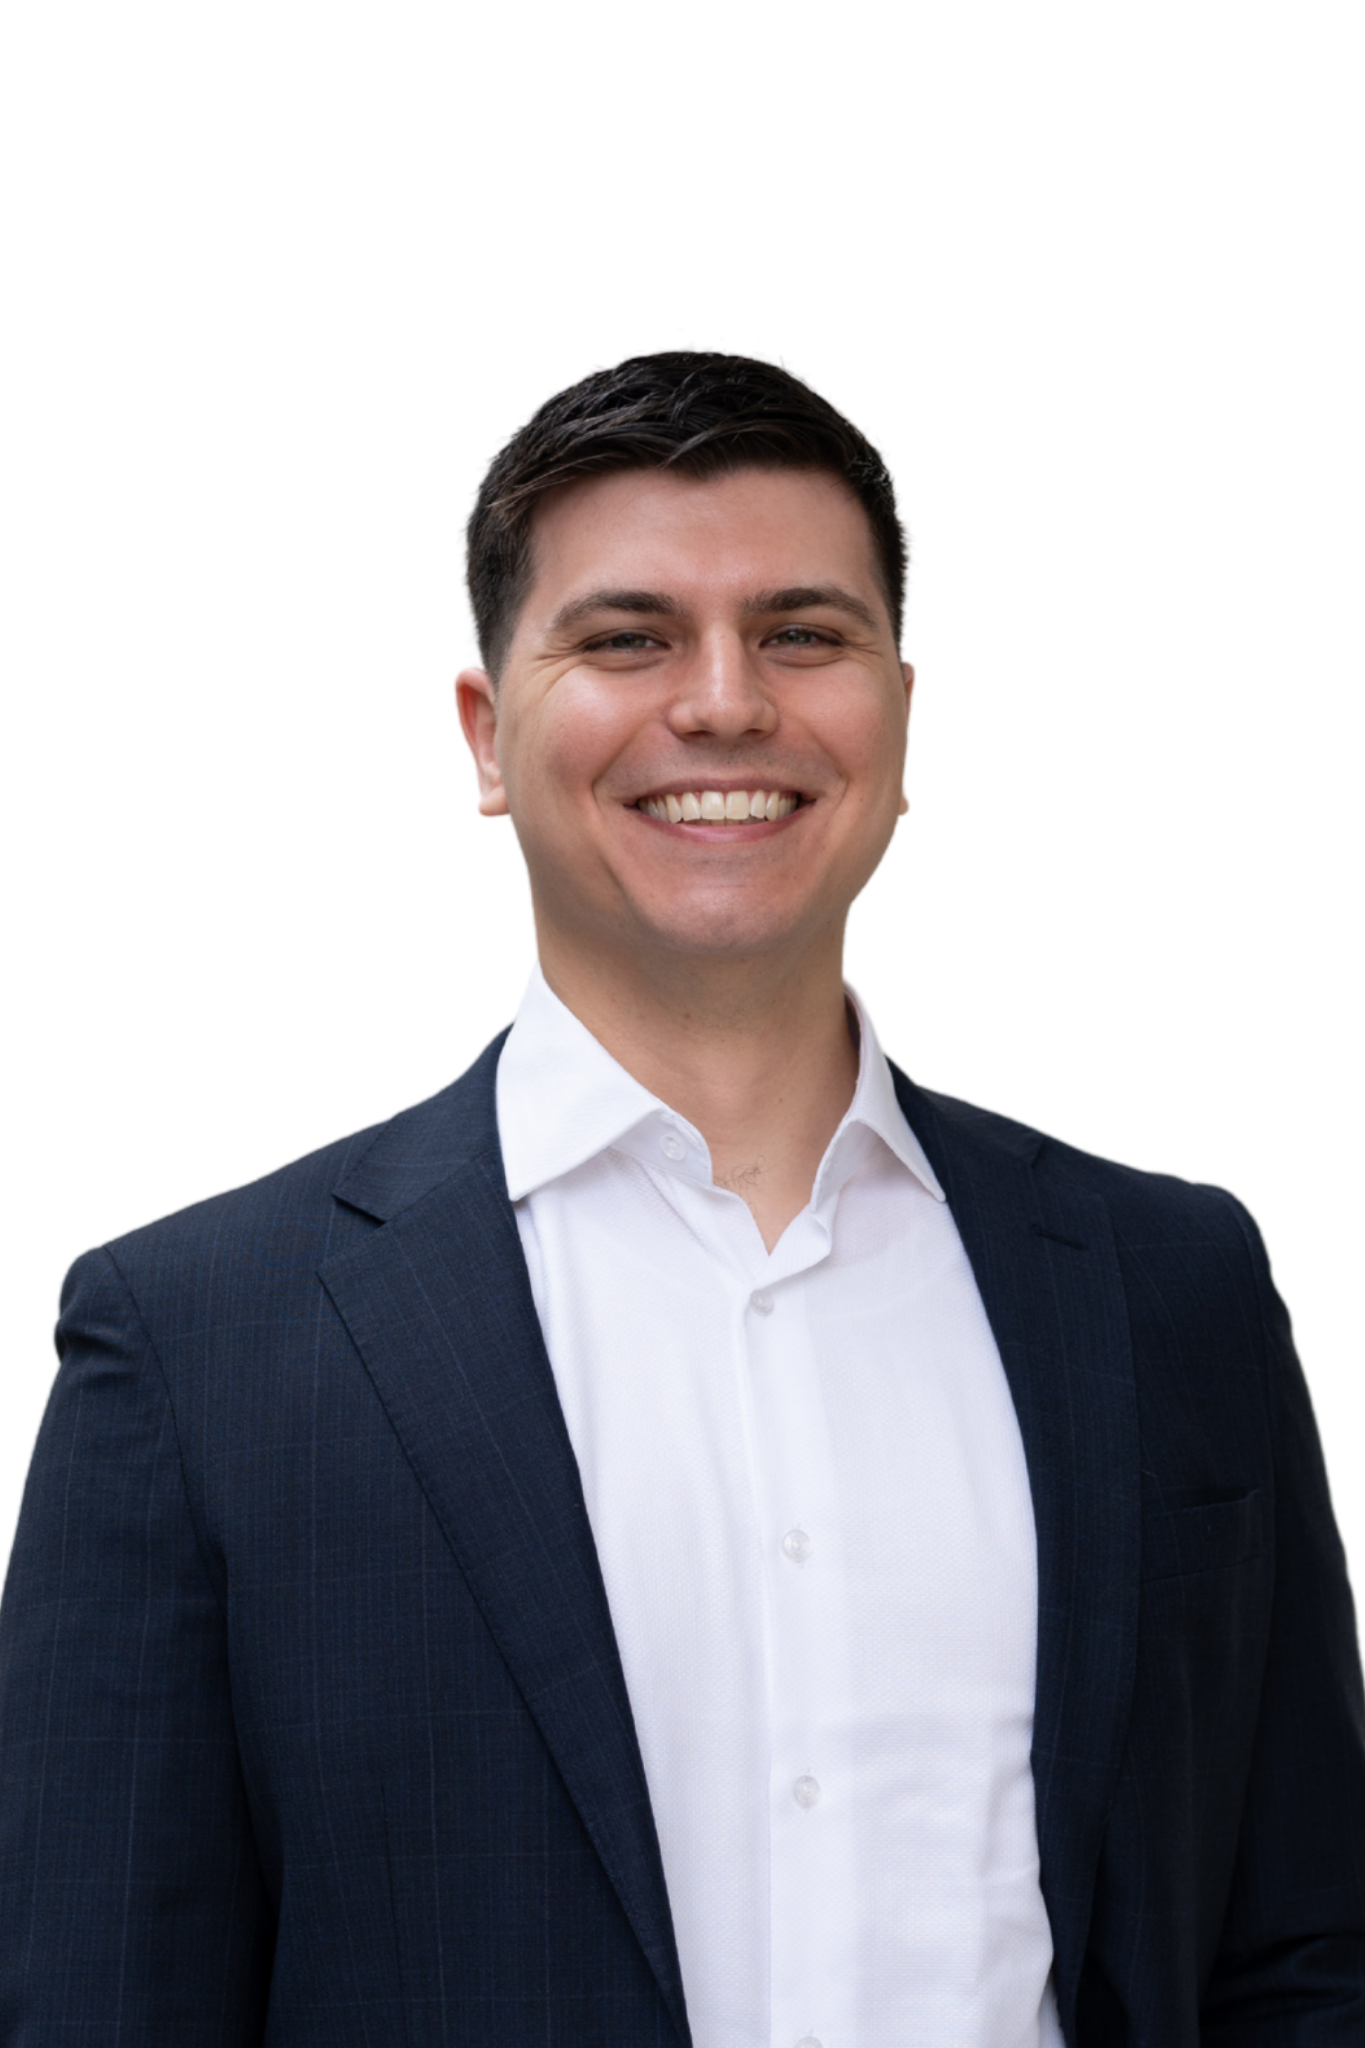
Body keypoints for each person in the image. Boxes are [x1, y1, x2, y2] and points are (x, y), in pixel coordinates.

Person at [2, 348, 1361, 2045]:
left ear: (905, 720)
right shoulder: (191, 1342)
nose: (726, 701)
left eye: (804, 633)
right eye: (629, 636)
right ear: (484, 744)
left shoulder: (1179, 1282)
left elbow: (1300, 1950)